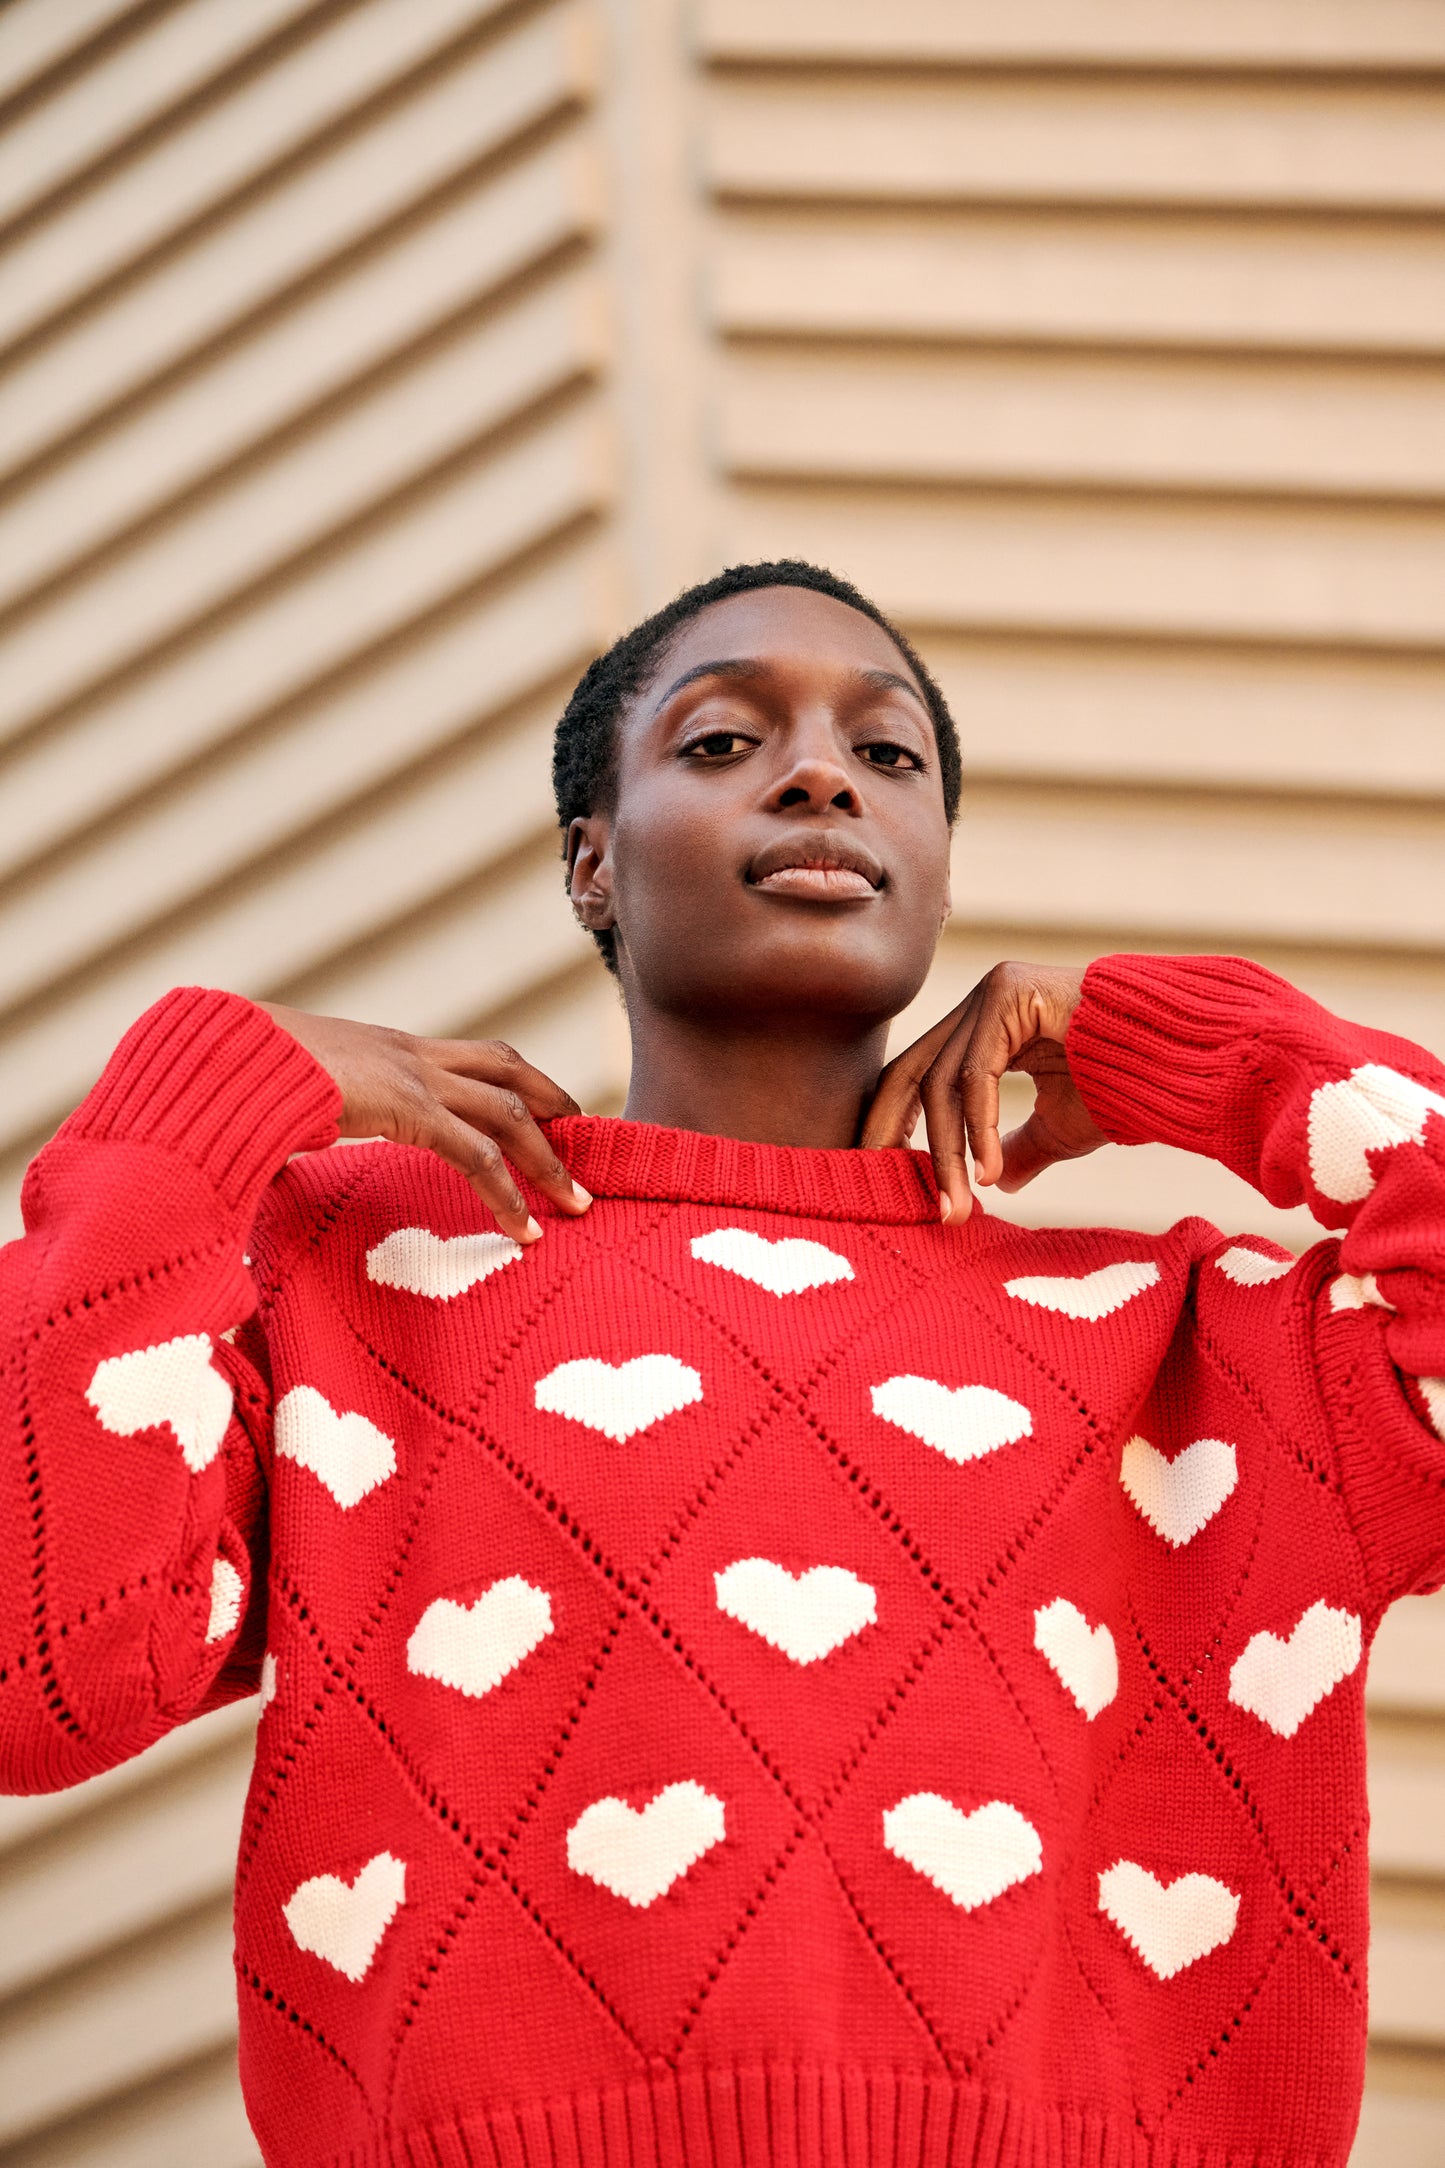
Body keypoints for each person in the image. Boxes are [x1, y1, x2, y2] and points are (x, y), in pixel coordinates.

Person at [2, 558, 1442, 2168]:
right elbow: (40, 1681)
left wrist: (1201, 1050)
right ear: (591, 864)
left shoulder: (1185, 1343)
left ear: (939, 871)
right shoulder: (364, 1283)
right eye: (720, 742)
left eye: (885, 755)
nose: (821, 774)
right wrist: (182, 1123)